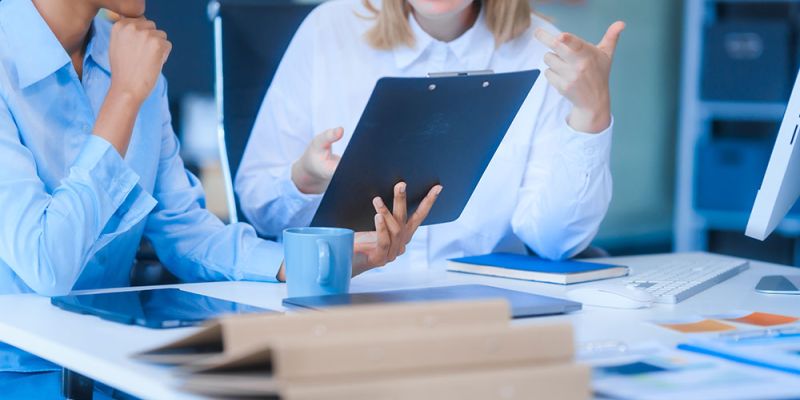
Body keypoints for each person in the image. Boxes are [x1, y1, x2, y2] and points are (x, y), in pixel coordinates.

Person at [0, 0, 439, 396]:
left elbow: (185, 232)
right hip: (18, 369)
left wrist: (324, 259)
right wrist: (125, 97)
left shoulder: (128, 59)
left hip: (111, 363)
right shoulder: (122, 75)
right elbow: (48, 265)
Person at [237, 0, 624, 271]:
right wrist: (304, 179)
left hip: (484, 311)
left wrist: (591, 113)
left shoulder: (547, 53)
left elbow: (556, 242)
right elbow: (260, 209)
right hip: (341, 301)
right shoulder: (327, 30)